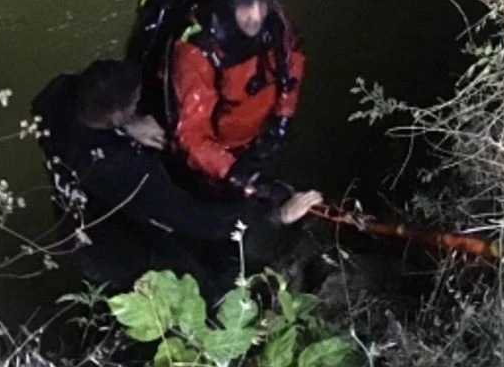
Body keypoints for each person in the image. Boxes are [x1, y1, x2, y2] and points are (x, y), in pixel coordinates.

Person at [31, 57, 322, 303]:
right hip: (110, 250)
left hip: (75, 217)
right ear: (114, 114)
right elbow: (198, 220)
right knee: (206, 290)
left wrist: (127, 124)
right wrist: (275, 216)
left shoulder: (55, 97)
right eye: (135, 102)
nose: (140, 104)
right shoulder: (128, 169)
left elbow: (64, 110)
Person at [167, 0, 306, 193]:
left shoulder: (276, 22)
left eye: (260, 3)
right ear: (227, 9)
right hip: (220, 152)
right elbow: (192, 134)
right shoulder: (198, 53)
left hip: (259, 136)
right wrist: (230, 171)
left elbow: (292, 63)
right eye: (245, 7)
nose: (257, 16)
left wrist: (283, 117)